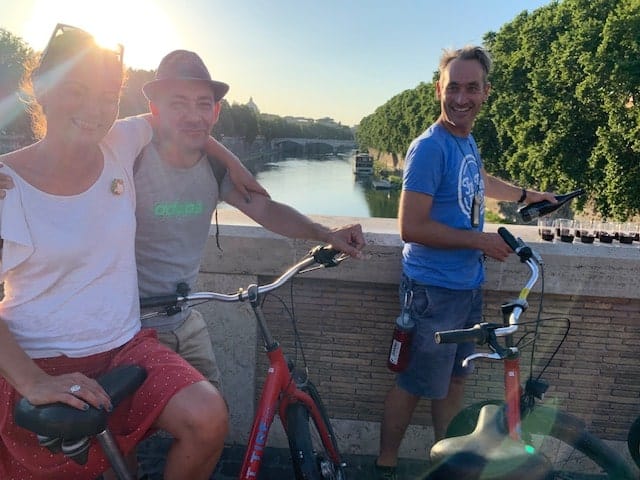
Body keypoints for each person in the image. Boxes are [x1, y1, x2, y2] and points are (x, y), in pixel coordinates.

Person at [0, 24, 235, 480]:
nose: (96, 110)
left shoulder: (120, 143)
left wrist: (237, 169)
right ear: (42, 91)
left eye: (108, 97)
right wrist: (31, 381)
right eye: (78, 91)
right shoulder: (7, 186)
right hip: (39, 357)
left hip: (126, 347)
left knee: (208, 419)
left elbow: (187, 123)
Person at [131, 49, 365, 477]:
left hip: (185, 319)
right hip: (132, 325)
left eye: (203, 104)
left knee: (212, 423)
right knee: (128, 434)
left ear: (217, 111)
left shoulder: (215, 169)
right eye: (178, 102)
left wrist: (324, 233)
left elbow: (267, 209)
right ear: (154, 108)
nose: (194, 114)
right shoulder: (132, 160)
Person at [373, 45, 557, 480]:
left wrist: (529, 196)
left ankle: (450, 464)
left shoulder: (465, 140)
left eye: (471, 88)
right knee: (414, 386)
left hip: (464, 287)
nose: (461, 97)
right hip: (432, 293)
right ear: (439, 88)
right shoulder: (429, 148)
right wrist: (480, 240)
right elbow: (410, 227)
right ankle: (384, 467)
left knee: (455, 382)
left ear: (485, 92)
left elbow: (478, 181)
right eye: (453, 87)